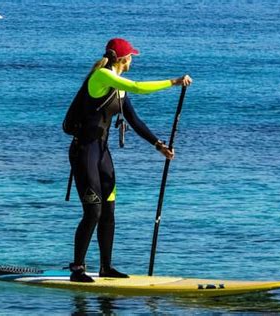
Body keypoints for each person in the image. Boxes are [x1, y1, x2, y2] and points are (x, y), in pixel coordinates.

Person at [68, 38, 192, 282]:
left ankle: (106, 268)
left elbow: (134, 120)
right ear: (122, 59)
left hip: (102, 154)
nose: (133, 59)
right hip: (84, 153)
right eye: (131, 56)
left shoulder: (119, 87)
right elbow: (137, 86)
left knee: (109, 211)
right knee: (93, 212)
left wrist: (158, 145)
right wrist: (174, 82)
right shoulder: (103, 76)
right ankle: (77, 269)